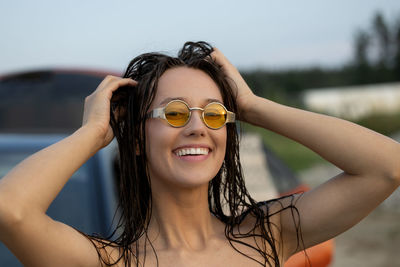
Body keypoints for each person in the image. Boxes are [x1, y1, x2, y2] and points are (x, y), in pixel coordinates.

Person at [0, 41, 399, 267]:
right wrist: (92, 133)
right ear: (137, 140)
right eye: (174, 112)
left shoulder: (266, 236)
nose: (197, 126)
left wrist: (255, 107)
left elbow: (387, 167)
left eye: (213, 113)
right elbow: (10, 209)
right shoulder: (107, 263)